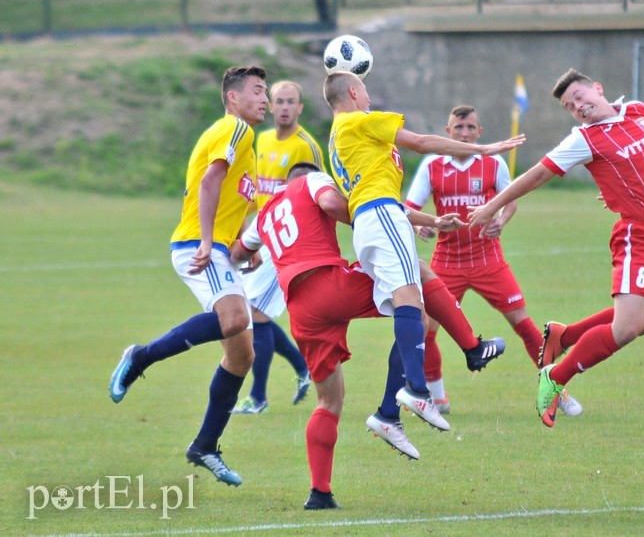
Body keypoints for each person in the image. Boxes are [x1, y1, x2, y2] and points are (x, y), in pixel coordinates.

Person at [229, 162, 505, 509]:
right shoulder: (314, 182)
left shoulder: (265, 214)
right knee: (415, 284)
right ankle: (467, 352)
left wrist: (239, 260)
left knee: (328, 401)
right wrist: (370, 223)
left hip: (301, 308)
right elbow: (336, 204)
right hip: (327, 282)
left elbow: (239, 253)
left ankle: (320, 493)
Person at [468, 69, 644, 428]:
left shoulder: (638, 111)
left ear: (598, 89)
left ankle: (563, 336)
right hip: (638, 235)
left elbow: (641, 160)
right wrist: (492, 205)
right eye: (570, 106)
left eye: (580, 97)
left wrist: (618, 185)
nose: (578, 107)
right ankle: (556, 377)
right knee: (627, 328)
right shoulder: (584, 138)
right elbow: (536, 174)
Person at [322, 71, 524, 430]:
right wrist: (482, 148)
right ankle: (418, 390)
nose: (368, 97)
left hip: (373, 219)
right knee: (410, 301)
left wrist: (429, 218)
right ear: (353, 92)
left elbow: (371, 188)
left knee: (419, 294)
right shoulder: (359, 119)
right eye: (365, 89)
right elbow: (421, 141)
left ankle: (390, 411)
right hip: (382, 216)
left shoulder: (337, 136)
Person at [108, 65, 269, 485]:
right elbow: (210, 181)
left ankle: (205, 446)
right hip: (199, 246)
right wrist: (208, 242)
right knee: (234, 319)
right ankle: (139, 357)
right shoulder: (235, 130)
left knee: (242, 355)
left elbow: (229, 197)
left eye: (266, 91)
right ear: (233, 98)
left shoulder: (248, 149)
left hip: (216, 249)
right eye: (257, 91)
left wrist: (237, 254)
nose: (265, 99)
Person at [405, 105, 582, 417]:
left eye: (470, 128)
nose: (464, 133)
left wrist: (502, 219)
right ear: (448, 133)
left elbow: (510, 200)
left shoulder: (493, 162)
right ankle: (436, 397)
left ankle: (558, 390)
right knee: (426, 329)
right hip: (446, 262)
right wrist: (423, 225)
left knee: (524, 326)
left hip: (488, 259)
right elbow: (410, 207)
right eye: (458, 128)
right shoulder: (432, 165)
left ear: (479, 132)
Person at [233, 80, 326, 414]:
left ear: (300, 107)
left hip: (285, 238)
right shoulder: (262, 139)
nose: (285, 107)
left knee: (253, 315)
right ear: (270, 106)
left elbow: (320, 194)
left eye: (292, 102)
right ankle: (302, 368)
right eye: (279, 101)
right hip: (261, 233)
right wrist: (246, 229)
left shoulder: (307, 147)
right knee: (250, 314)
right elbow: (255, 189)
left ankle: (258, 398)